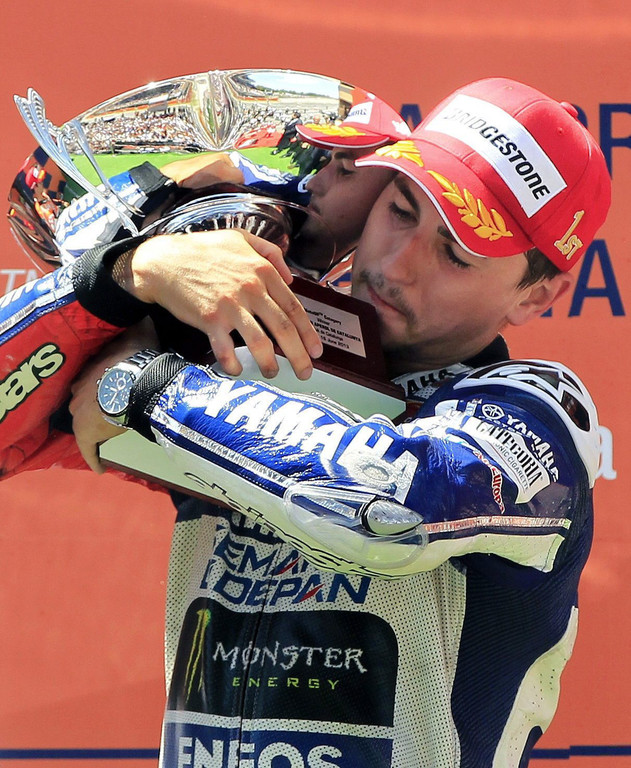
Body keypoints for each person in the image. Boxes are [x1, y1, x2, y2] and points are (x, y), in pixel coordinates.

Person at [0, 77, 611, 767]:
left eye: (454, 254)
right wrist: (126, 276)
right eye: (400, 209)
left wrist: (145, 388)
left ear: (537, 295)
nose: (397, 264)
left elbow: (393, 507)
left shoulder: (536, 413)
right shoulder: (249, 354)